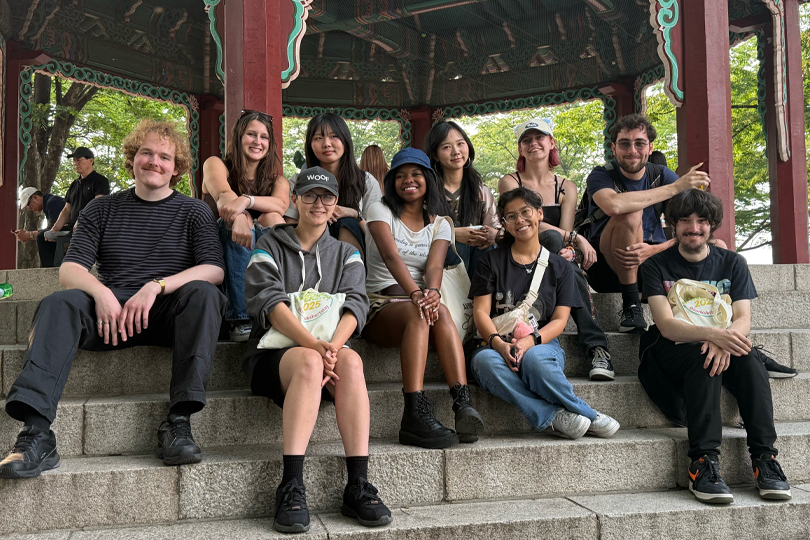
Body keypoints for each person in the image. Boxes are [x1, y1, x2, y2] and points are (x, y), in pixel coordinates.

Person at [0, 120, 226, 479]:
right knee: (57, 304)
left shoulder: (194, 211)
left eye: (164, 157)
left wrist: (156, 286)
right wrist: (102, 293)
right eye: (146, 153)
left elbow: (213, 269)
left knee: (204, 294)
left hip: (169, 312)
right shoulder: (101, 210)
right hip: (112, 315)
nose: (155, 161)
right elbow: (70, 269)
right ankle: (37, 433)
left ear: (177, 167)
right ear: (132, 158)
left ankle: (178, 422)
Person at [242, 167, 392, 533]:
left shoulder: (346, 253)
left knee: (353, 361)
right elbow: (268, 301)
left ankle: (357, 484)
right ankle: (291, 484)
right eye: (309, 195)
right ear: (295, 199)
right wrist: (315, 346)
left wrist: (334, 347)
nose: (318, 203)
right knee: (310, 361)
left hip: (329, 351)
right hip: (273, 355)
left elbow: (357, 304)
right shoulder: (269, 243)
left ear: (336, 203)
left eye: (326, 197)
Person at [639, 188, 791, 504]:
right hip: (671, 349)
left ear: (712, 225)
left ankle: (765, 459)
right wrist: (714, 337)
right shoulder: (655, 266)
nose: (693, 228)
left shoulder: (733, 263)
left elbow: (742, 318)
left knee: (750, 359)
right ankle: (703, 462)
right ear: (672, 225)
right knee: (703, 358)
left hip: (720, 342)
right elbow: (666, 326)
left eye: (701, 221)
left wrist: (724, 340)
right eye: (685, 220)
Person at [468, 187, 620, 440]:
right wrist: (497, 343)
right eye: (511, 216)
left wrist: (531, 341)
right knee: (483, 363)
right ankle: (571, 415)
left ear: (539, 214)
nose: (520, 221)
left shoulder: (561, 266)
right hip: (496, 342)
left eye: (525, 212)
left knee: (535, 360)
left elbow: (560, 320)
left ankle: (568, 415)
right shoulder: (491, 261)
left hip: (543, 342)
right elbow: (481, 313)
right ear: (504, 223)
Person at [363, 147, 484, 449]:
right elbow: (391, 257)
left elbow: (434, 266)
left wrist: (430, 292)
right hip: (381, 303)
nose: (409, 180)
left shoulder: (440, 223)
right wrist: (416, 294)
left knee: (438, 310)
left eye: (416, 174)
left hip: (422, 306)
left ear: (428, 179)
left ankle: (462, 404)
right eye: (401, 176)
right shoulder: (379, 208)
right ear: (391, 182)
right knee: (422, 311)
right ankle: (413, 414)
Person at [499, 119, 614, 381]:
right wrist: (574, 238)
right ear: (520, 149)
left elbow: (562, 241)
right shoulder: (509, 182)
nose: (533, 143)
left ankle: (598, 350)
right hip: (518, 259)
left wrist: (570, 250)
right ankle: (597, 347)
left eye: (540, 137)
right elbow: (526, 224)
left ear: (551, 142)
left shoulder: (566, 187)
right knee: (554, 244)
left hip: (551, 263)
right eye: (526, 140)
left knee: (565, 264)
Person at [583, 114, 720, 333]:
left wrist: (656, 249)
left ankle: (711, 311)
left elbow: (695, 230)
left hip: (652, 264)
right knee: (631, 213)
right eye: (624, 144)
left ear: (650, 147)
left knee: (718, 246)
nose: (632, 150)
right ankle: (631, 306)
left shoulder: (662, 175)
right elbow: (613, 206)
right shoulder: (601, 175)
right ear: (613, 147)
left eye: (640, 143)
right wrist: (676, 187)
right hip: (608, 267)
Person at [202, 109, 289, 342]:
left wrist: (247, 200)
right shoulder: (216, 164)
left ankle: (276, 310)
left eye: (264, 137)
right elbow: (222, 193)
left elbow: (280, 205)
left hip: (259, 248)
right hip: (216, 246)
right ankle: (241, 318)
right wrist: (240, 215)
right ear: (239, 136)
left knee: (273, 219)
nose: (258, 142)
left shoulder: (277, 180)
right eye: (251, 134)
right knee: (238, 219)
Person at [284, 113, 382, 256]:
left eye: (334, 136)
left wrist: (354, 214)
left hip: (355, 255)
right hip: (307, 253)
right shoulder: (298, 181)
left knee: (347, 223)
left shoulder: (365, 181)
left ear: (345, 140)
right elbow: (290, 226)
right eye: (318, 138)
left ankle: (352, 276)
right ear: (310, 144)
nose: (327, 144)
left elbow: (377, 235)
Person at [425, 120, 498, 277]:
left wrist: (493, 234)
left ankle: (482, 298)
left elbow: (494, 226)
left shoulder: (481, 191)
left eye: (460, 144)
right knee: (459, 244)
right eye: (446, 147)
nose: (456, 151)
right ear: (435, 155)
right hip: (440, 263)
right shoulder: (427, 192)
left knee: (489, 246)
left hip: (477, 261)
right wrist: (454, 234)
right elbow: (417, 232)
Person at [49, 146, 110, 234]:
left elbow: (98, 205)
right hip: (71, 227)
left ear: (91, 161)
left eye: (79, 160)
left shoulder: (100, 181)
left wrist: (81, 221)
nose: (75, 163)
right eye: (74, 160)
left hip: (90, 227)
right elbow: (67, 209)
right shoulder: (74, 184)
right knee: (44, 235)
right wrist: (56, 227)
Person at [13, 187, 66, 268]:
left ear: (35, 197)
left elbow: (53, 230)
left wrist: (29, 234)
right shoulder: (49, 204)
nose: (29, 208)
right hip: (67, 233)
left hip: (73, 233)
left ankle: (49, 270)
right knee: (43, 235)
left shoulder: (53, 202)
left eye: (28, 204)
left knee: (42, 236)